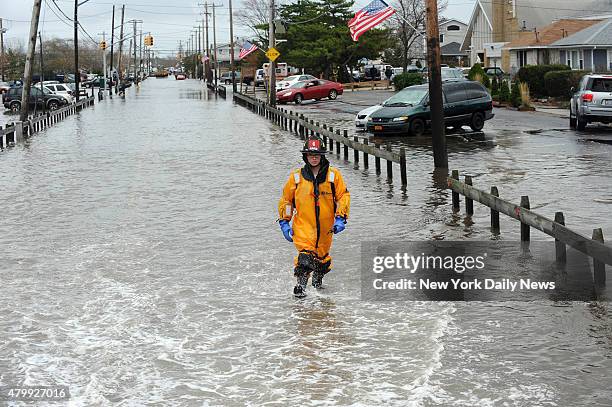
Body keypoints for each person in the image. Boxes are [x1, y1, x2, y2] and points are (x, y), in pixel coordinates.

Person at [277, 135, 350, 298]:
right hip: (303, 227)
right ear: (305, 156)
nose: (314, 158)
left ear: (322, 155)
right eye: (310, 155)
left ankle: (318, 291)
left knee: (321, 261)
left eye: (316, 155)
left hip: (326, 229)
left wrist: (341, 218)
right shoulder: (296, 178)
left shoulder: (333, 176)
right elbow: (287, 200)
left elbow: (343, 196)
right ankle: (300, 291)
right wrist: (284, 222)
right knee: (305, 258)